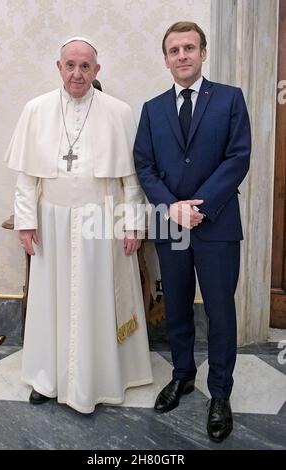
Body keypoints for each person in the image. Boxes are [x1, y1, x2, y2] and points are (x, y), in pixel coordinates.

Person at [5, 37, 153, 414]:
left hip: (100, 223)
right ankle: (47, 377)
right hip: (51, 222)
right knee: (52, 301)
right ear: (59, 67)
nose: (77, 73)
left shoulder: (118, 112)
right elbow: (26, 178)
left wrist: (132, 224)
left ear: (96, 71)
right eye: (70, 65)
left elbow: (130, 180)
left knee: (97, 300)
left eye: (85, 66)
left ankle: (102, 378)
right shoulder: (36, 110)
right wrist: (25, 222)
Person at [134, 21, 251, 442]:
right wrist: (172, 207)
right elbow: (144, 165)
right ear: (165, 59)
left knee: (220, 312)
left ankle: (220, 393)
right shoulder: (151, 109)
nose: (182, 55)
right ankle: (183, 375)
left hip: (216, 224)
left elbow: (238, 157)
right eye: (173, 50)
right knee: (178, 307)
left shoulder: (231, 99)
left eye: (189, 48)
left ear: (203, 53)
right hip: (172, 225)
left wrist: (198, 206)